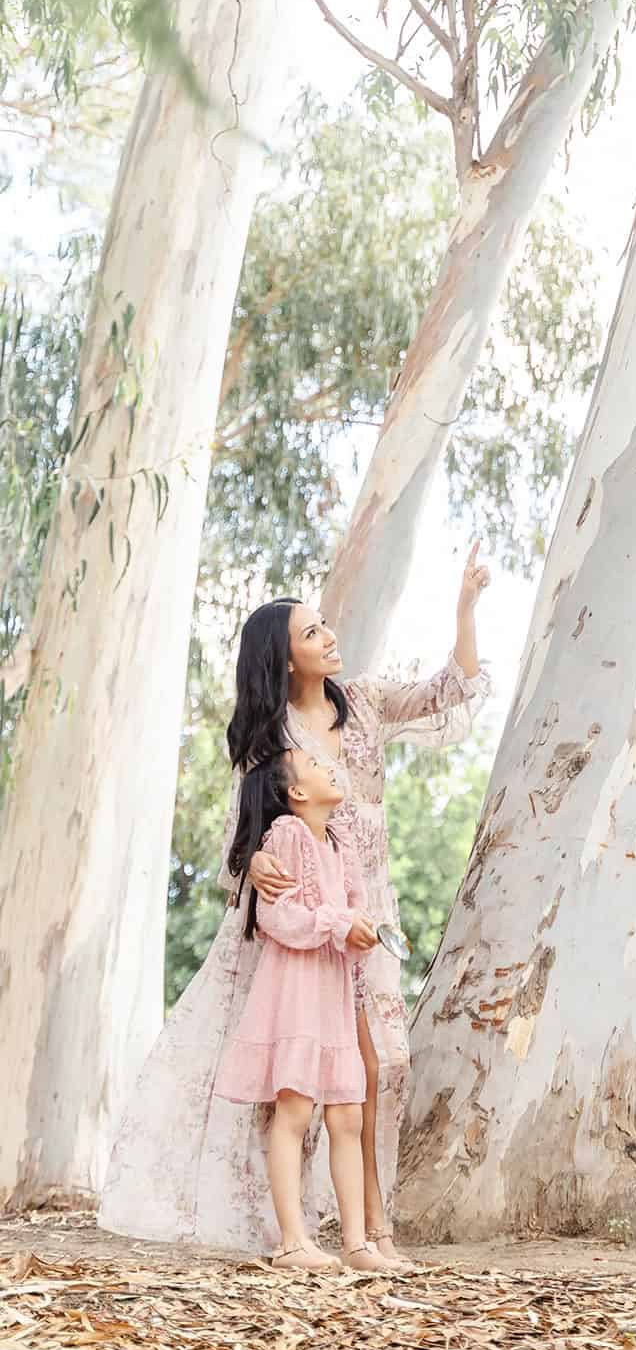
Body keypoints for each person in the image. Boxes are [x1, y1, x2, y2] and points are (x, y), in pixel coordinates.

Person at [99, 543, 491, 1259]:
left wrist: (464, 607)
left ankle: (371, 1226)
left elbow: (453, 688)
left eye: (324, 625)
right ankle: (306, 1229)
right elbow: (241, 831)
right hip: (303, 916)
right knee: (299, 1077)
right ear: (284, 659)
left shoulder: (366, 702)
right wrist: (254, 862)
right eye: (311, 633)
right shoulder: (269, 739)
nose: (328, 636)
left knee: (381, 1066)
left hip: (369, 910)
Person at [217, 747, 391, 1272]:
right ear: (296, 793)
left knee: (347, 1115)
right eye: (315, 766)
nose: (328, 767)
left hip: (334, 988)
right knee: (294, 1111)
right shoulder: (288, 836)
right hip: (295, 989)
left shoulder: (340, 843)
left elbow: (353, 909)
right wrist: (339, 926)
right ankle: (292, 1240)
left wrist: (363, 932)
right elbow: (278, 916)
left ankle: (357, 1243)